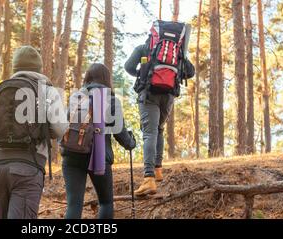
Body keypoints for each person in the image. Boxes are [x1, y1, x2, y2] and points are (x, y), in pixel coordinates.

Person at [0, 46, 67, 219]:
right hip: (28, 169)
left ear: (15, 68)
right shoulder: (47, 92)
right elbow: (60, 128)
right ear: (39, 69)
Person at [61, 63, 136, 219]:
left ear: (87, 77)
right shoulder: (111, 99)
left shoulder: (77, 96)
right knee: (106, 203)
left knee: (74, 204)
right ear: (106, 79)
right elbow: (120, 132)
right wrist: (131, 143)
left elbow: (65, 125)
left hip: (71, 154)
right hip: (98, 155)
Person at [125, 32, 194, 196]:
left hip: (149, 93)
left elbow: (128, 66)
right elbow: (190, 72)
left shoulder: (144, 48)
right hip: (168, 95)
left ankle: (148, 178)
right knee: (159, 129)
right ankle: (157, 169)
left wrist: (144, 74)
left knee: (150, 132)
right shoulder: (177, 51)